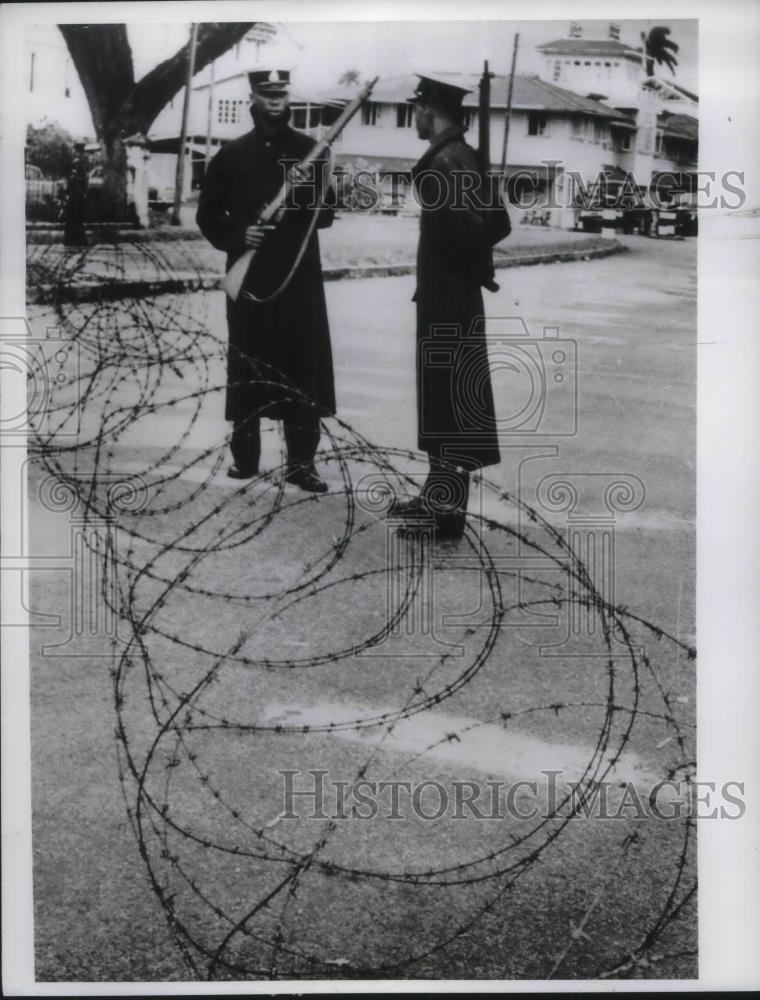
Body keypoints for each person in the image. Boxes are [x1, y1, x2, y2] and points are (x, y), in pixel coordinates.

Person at [197, 69, 335, 492]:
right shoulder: (232, 155)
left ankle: (301, 463)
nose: (275, 101)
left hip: (296, 276)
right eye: (266, 94)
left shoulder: (311, 151)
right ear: (253, 97)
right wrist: (241, 234)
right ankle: (246, 457)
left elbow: (326, 214)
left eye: (280, 94)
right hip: (251, 275)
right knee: (249, 363)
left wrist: (303, 194)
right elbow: (207, 216)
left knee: (301, 366)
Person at [391, 75, 501, 539]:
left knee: (449, 400)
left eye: (416, 108)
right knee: (443, 397)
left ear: (429, 111)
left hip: (448, 301)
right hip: (451, 296)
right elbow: (493, 222)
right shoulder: (461, 156)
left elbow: (479, 227)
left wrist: (460, 270)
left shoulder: (445, 161)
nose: (413, 116)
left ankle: (446, 511)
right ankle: (438, 496)